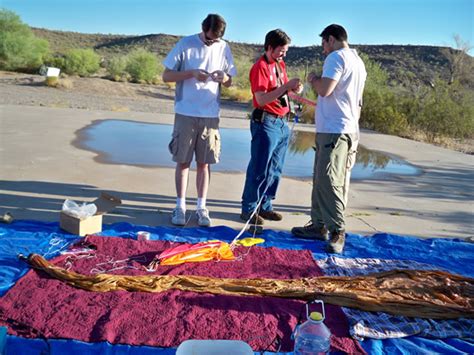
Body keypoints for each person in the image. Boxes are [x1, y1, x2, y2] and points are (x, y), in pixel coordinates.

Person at [291, 24, 367, 253]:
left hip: (336, 129)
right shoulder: (358, 61)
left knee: (328, 179)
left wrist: (314, 79)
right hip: (344, 127)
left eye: (324, 44)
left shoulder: (336, 58)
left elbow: (325, 89)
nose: (324, 50)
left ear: (331, 40)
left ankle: (337, 231)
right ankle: (318, 225)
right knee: (321, 177)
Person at [162, 14, 237, 227]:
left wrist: (225, 78)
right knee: (183, 161)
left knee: (204, 162)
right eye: (208, 38)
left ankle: (202, 206)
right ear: (202, 29)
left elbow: (230, 81)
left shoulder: (224, 47)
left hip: (210, 114)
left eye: (215, 40)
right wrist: (192, 73)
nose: (211, 42)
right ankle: (180, 206)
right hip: (186, 112)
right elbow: (166, 76)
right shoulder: (185, 44)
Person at [240, 29, 302, 225]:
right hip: (266, 121)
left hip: (281, 121)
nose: (283, 54)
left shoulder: (279, 65)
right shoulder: (260, 67)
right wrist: (285, 87)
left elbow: (279, 91)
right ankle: (249, 208)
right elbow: (261, 98)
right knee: (260, 166)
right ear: (269, 47)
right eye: (280, 51)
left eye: (285, 51)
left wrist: (292, 89)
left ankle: (265, 206)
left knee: (275, 168)